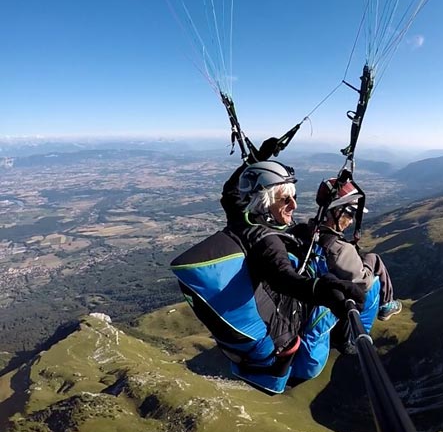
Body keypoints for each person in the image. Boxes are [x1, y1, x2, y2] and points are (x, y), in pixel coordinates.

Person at [171, 161, 365, 394]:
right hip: (288, 331)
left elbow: (229, 193)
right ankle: (348, 341)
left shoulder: (241, 220)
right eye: (285, 199)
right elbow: (283, 278)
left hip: (268, 326)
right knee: (346, 288)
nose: (293, 205)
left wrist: (254, 161)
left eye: (293, 197)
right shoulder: (266, 240)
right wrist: (321, 289)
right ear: (264, 202)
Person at [314, 178, 402, 322]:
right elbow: (364, 283)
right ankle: (386, 304)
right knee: (373, 258)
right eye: (350, 213)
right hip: (349, 297)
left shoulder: (309, 232)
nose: (351, 220)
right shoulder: (341, 250)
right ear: (336, 211)